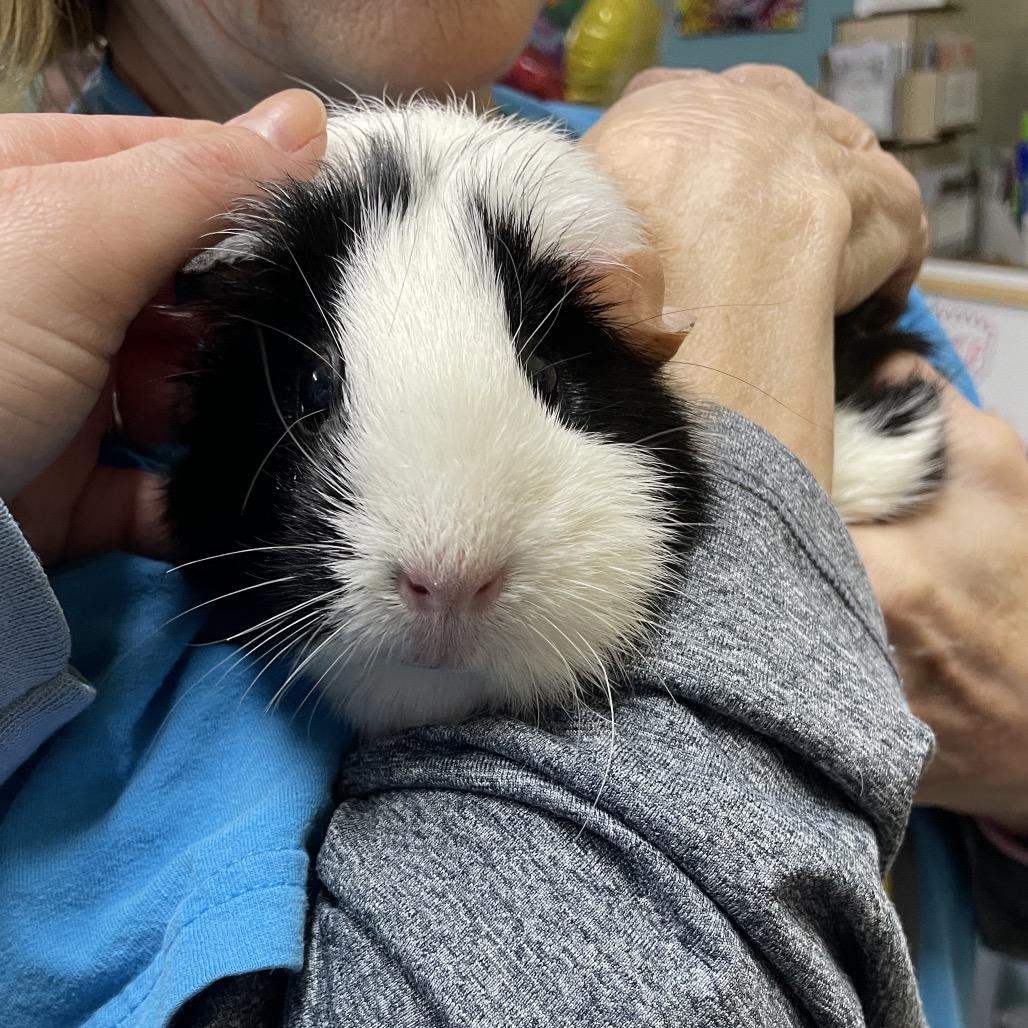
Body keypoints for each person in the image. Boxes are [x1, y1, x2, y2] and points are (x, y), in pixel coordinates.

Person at [0, 1, 1025, 1023]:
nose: (447, 556)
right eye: (315, 392)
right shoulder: (48, 416)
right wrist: (789, 627)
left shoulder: (772, 197)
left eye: (550, 373)